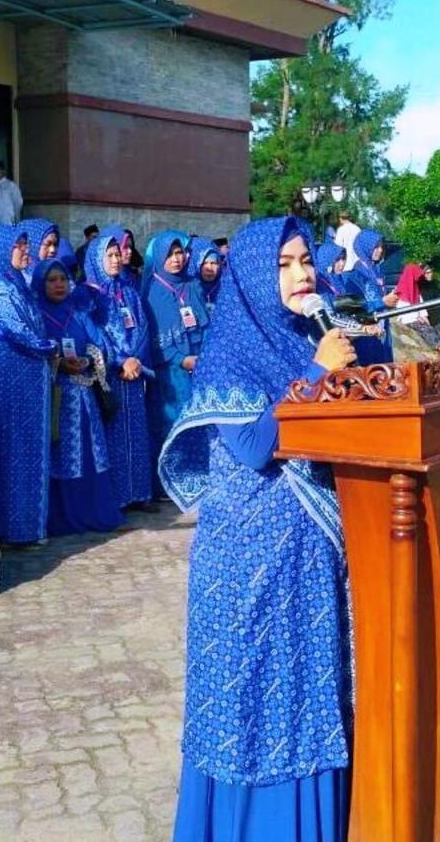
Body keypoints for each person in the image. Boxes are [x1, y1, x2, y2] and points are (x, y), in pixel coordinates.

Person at [158, 216, 356, 841]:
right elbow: (254, 444)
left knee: (306, 690)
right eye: (286, 263)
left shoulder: (306, 338)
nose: (303, 274)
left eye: (305, 261)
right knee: (251, 701)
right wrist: (323, 372)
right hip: (248, 564)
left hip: (306, 557)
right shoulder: (231, 349)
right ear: (252, 275)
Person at [0, 225, 56, 544]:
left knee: (23, 451)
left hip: (25, 377)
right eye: (18, 246)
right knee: (10, 450)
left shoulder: (17, 283)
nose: (25, 250)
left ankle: (23, 525)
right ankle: (10, 527)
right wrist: (51, 349)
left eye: (26, 245)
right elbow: (18, 330)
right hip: (7, 375)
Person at [33, 257, 124, 534]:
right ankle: (62, 517)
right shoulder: (36, 315)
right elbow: (34, 351)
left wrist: (87, 360)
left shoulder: (79, 313)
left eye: (63, 279)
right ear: (40, 283)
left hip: (84, 397)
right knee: (62, 456)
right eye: (52, 280)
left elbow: (102, 347)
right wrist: (58, 362)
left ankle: (92, 512)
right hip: (56, 398)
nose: (59, 285)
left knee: (90, 455)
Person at [80, 228, 153, 510]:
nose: (115, 260)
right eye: (109, 255)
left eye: (116, 255)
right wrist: (119, 361)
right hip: (110, 376)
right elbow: (94, 335)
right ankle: (118, 495)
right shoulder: (89, 296)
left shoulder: (129, 292)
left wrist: (135, 359)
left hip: (134, 375)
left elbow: (142, 326)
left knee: (136, 431)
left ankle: (139, 492)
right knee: (113, 435)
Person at [142, 231, 209, 486]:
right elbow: (152, 339)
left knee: (198, 423)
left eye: (179, 252)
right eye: (169, 254)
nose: (175, 259)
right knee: (171, 424)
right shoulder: (152, 293)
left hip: (199, 365)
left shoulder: (191, 285)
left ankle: (198, 477)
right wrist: (181, 359)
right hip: (171, 373)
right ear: (159, 257)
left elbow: (205, 323)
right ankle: (169, 482)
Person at [342, 229, 396, 363]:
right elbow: (355, 306)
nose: (380, 250)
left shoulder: (376, 271)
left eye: (381, 246)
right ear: (365, 247)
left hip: (382, 330)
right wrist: (382, 302)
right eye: (375, 247)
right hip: (366, 335)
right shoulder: (355, 276)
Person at [186, 236, 223, 313]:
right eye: (204, 263)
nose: (209, 268)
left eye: (213, 263)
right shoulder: (188, 290)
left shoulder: (226, 286)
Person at [18, 217, 60, 283]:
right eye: (47, 244)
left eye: (55, 244)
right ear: (33, 244)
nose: (53, 250)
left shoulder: (61, 274)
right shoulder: (20, 280)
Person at [0, 159, 23, 227]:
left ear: (2, 171)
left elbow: (18, 203)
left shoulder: (11, 186)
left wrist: (14, 219)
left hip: (8, 223)